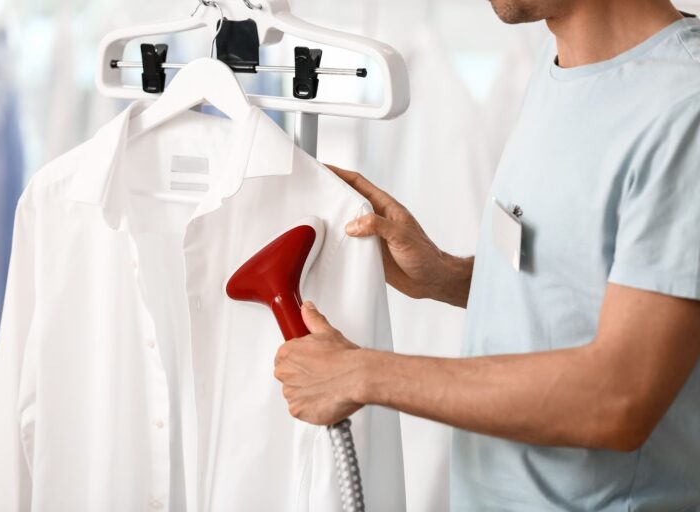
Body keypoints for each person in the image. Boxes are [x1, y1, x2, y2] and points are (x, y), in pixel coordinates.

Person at [273, 0, 700, 509]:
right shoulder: (560, 62)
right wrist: (444, 275)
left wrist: (359, 374)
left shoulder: (683, 109)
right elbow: (584, 289)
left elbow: (619, 398)